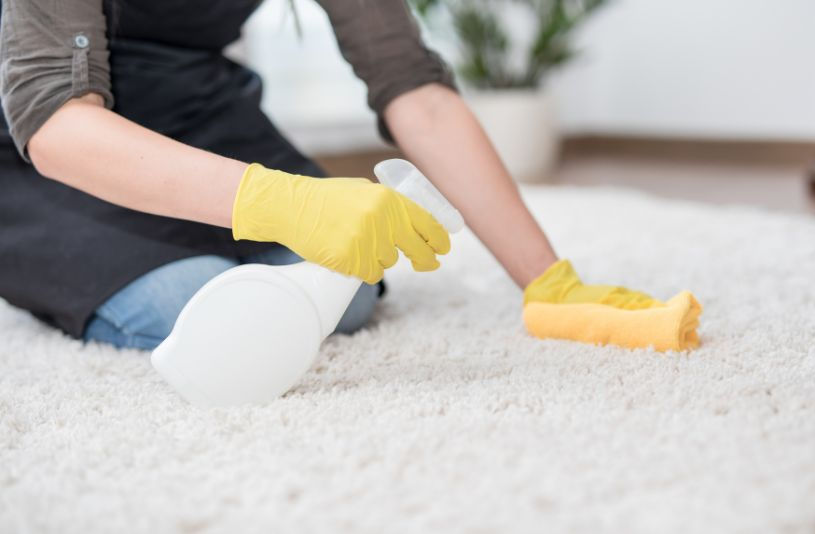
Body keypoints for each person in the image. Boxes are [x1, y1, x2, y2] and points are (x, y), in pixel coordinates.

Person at [0, 0, 661, 351]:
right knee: (206, 306)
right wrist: (280, 201)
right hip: (48, 152)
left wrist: (549, 282)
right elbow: (58, 124)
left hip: (195, 108)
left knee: (347, 295)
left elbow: (414, 89)